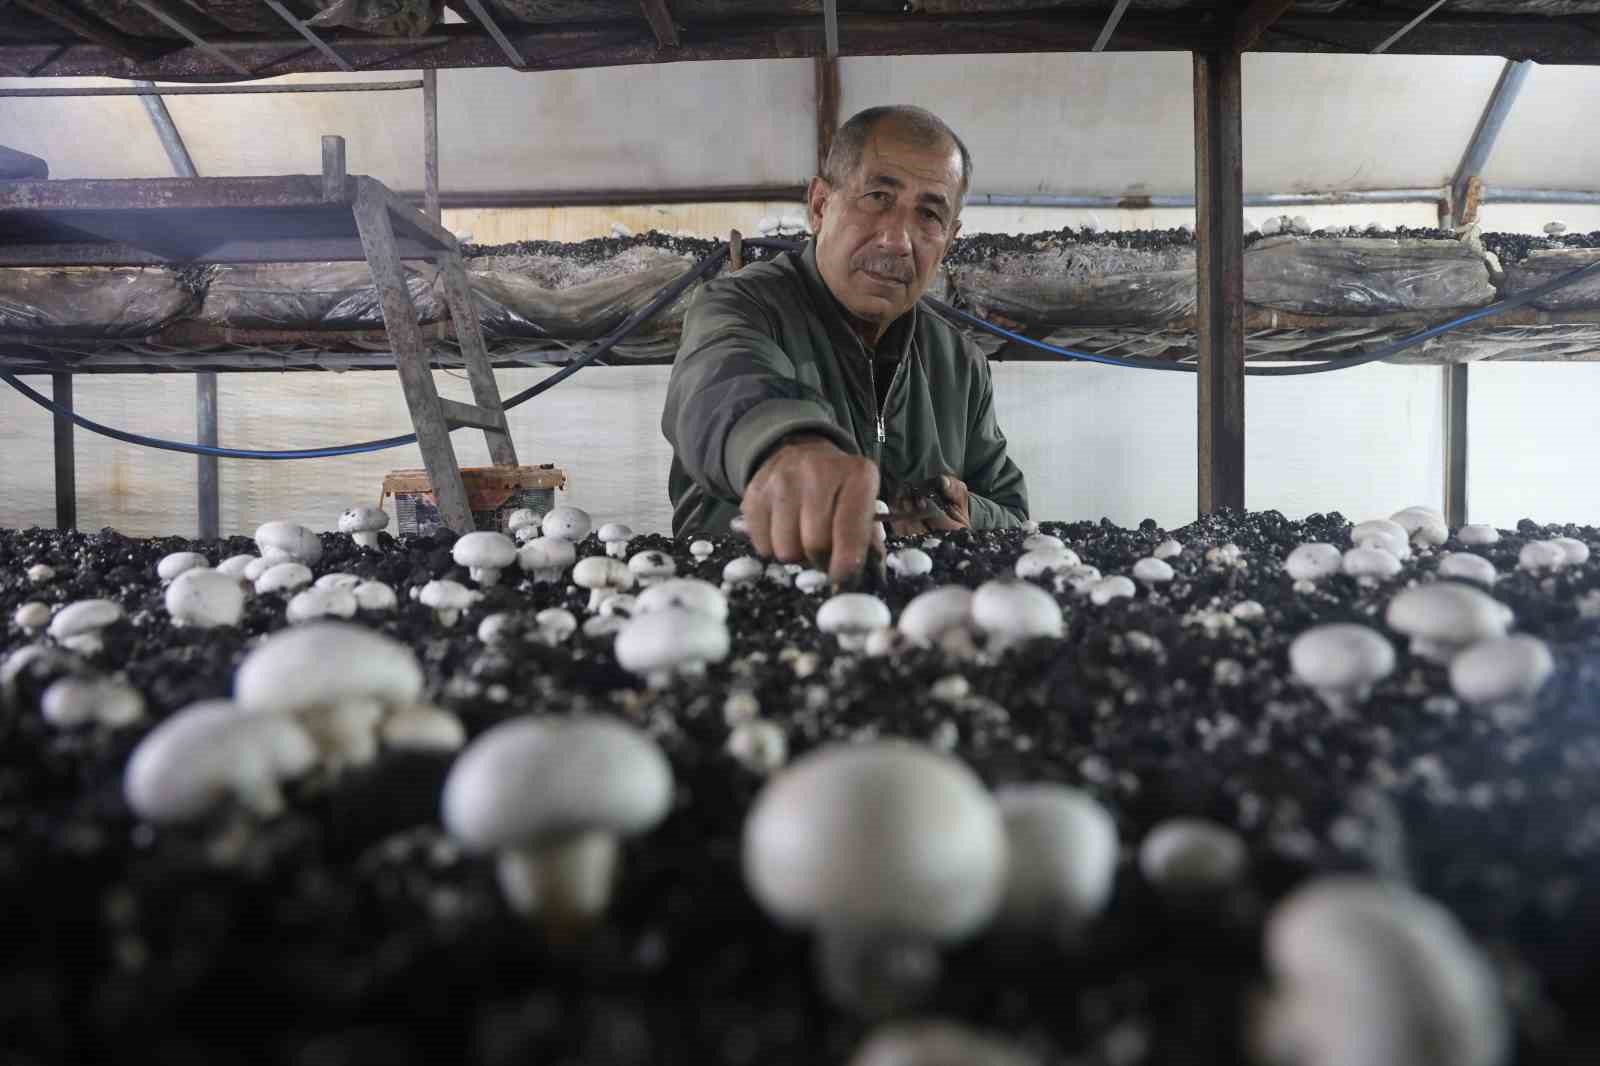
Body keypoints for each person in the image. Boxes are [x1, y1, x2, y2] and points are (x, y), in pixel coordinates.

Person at [661, 105, 1029, 582]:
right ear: (819, 205)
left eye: (929, 214)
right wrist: (787, 447)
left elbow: (1014, 517)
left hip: (915, 625)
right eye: (877, 197)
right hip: (757, 612)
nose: (897, 240)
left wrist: (969, 515)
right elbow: (716, 385)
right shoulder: (744, 306)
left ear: (950, 238)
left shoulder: (959, 362)